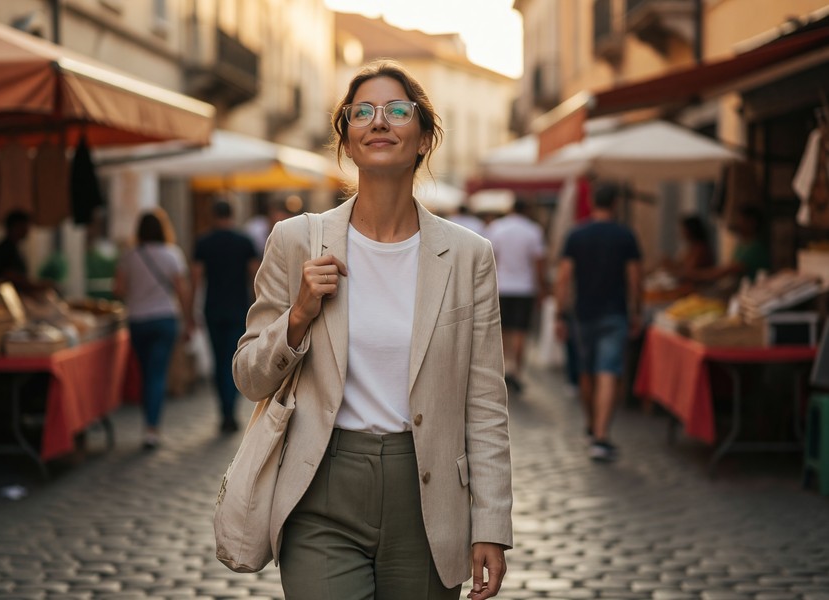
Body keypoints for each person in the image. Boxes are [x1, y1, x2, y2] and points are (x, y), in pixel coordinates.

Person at [233, 60, 512, 600]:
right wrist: (297, 316)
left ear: (424, 136)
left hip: (428, 495)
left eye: (397, 111)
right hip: (321, 489)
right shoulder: (296, 242)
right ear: (347, 139)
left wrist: (492, 523)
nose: (378, 121)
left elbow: (485, 401)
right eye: (362, 112)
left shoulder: (467, 256)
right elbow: (248, 377)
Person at [554, 183, 642, 463]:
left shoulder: (577, 234)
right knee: (608, 372)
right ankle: (601, 436)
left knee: (586, 370)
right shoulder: (625, 235)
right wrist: (636, 310)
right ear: (615, 203)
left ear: (592, 202)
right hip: (614, 312)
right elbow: (635, 278)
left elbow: (564, 277)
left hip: (582, 313)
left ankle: (594, 427)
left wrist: (559, 312)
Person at [114, 209, 194, 449]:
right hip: (164, 319)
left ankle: (147, 424)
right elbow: (182, 291)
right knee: (157, 374)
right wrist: (188, 319)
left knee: (146, 373)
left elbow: (118, 289)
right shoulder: (172, 255)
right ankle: (152, 429)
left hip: (138, 320)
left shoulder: (129, 256)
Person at [191, 200, 259, 433]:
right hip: (239, 309)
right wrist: (259, 306)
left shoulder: (203, 242)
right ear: (233, 213)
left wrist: (190, 310)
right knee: (232, 360)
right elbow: (256, 276)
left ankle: (225, 411)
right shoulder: (244, 242)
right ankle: (230, 411)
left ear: (213, 215)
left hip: (213, 308)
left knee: (219, 360)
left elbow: (195, 278)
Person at [485, 198, 547, 391]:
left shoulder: (496, 227)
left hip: (501, 286)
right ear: (527, 209)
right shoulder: (533, 230)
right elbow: (538, 263)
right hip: (525, 288)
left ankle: (502, 370)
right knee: (520, 331)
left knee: (502, 330)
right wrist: (541, 288)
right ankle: (516, 370)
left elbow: (490, 258)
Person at [686, 204, 770, 285]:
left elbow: (726, 271)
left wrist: (691, 274)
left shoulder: (755, 249)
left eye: (741, 220)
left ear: (752, 222)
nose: (737, 223)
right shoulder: (742, 246)